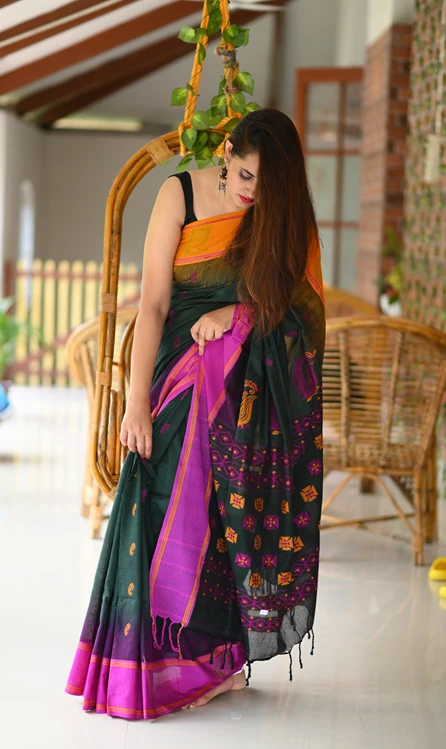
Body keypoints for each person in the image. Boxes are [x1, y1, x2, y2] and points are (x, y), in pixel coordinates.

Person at [66, 108, 325, 720]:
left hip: (247, 393)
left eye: (266, 183)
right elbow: (153, 305)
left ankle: (217, 663)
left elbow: (299, 316)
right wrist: (134, 404)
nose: (251, 192)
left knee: (226, 517)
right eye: (244, 174)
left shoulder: (284, 215)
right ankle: (147, 664)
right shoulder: (178, 194)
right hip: (176, 379)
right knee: (156, 505)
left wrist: (239, 316)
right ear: (227, 152)